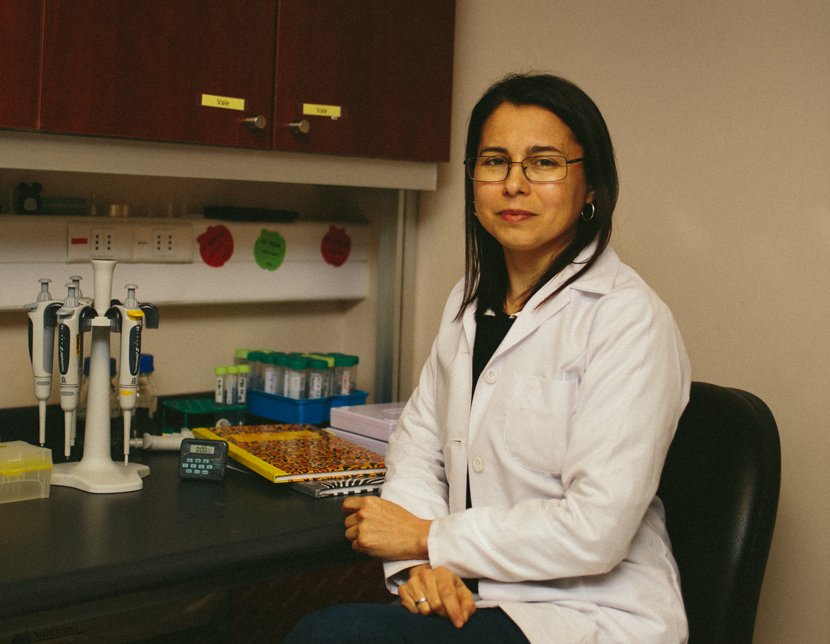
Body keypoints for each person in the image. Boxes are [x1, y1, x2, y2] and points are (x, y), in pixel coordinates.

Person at [282, 73, 691, 644]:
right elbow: (419, 449)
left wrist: (428, 538)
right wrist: (423, 569)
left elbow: (595, 528)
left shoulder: (628, 319)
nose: (514, 184)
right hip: (472, 596)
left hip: (587, 617)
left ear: (591, 186)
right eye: (495, 162)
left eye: (544, 163)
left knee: (328, 636)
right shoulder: (469, 303)